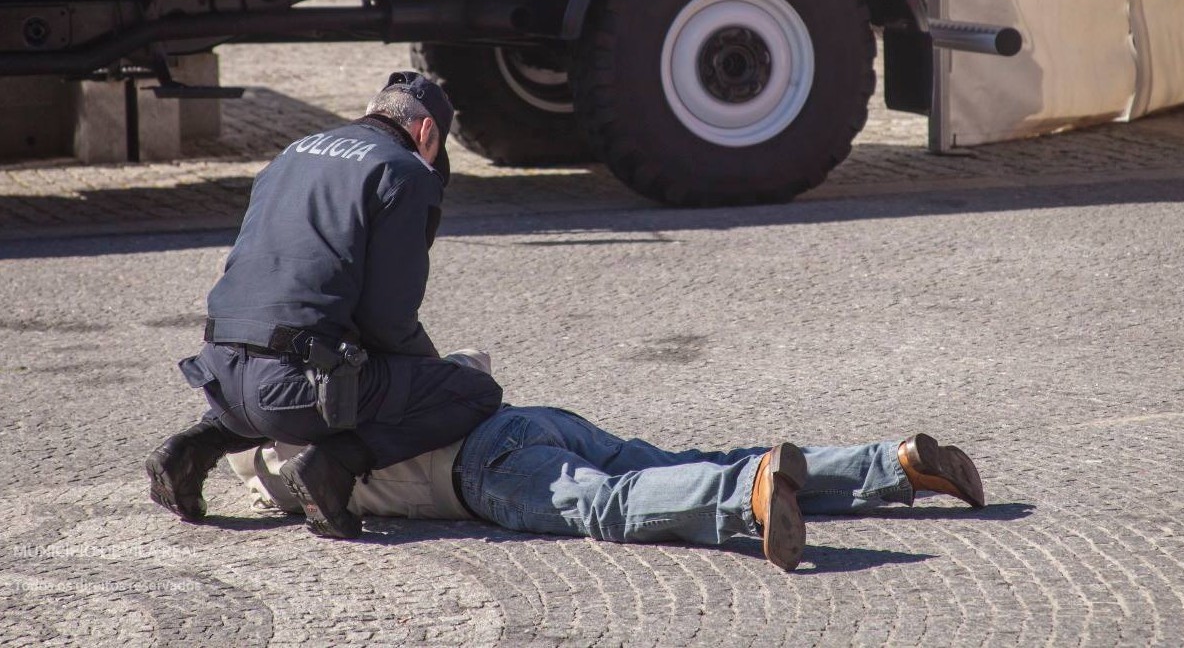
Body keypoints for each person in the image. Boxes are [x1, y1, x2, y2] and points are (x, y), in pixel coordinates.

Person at [146, 72, 503, 540]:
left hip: (219, 377)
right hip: (294, 392)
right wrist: (424, 382)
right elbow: (388, 320)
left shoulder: (291, 153)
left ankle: (195, 445)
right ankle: (332, 467)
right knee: (473, 392)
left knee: (296, 364)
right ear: (428, 133)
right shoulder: (404, 172)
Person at [226, 351, 984, 571]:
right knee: (663, 461)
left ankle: (747, 495)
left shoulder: (285, 460)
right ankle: (896, 462)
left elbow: (276, 488)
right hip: (525, 420)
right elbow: (465, 361)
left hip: (485, 475)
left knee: (612, 504)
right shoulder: (345, 386)